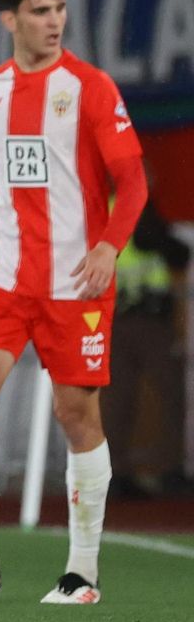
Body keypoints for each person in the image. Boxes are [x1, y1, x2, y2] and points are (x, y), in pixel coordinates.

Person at [0, 0, 147, 604]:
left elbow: (133, 182)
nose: (54, 21)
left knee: (76, 414)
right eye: (39, 11)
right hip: (3, 278)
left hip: (73, 283)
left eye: (58, 9)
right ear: (9, 19)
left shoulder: (90, 86)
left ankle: (82, 573)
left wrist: (110, 246)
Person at [102, 193, 189, 495]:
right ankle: (163, 470)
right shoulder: (129, 205)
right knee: (158, 397)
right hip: (136, 318)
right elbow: (170, 250)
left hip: (129, 317)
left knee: (119, 400)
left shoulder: (107, 204)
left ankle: (120, 472)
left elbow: (173, 251)